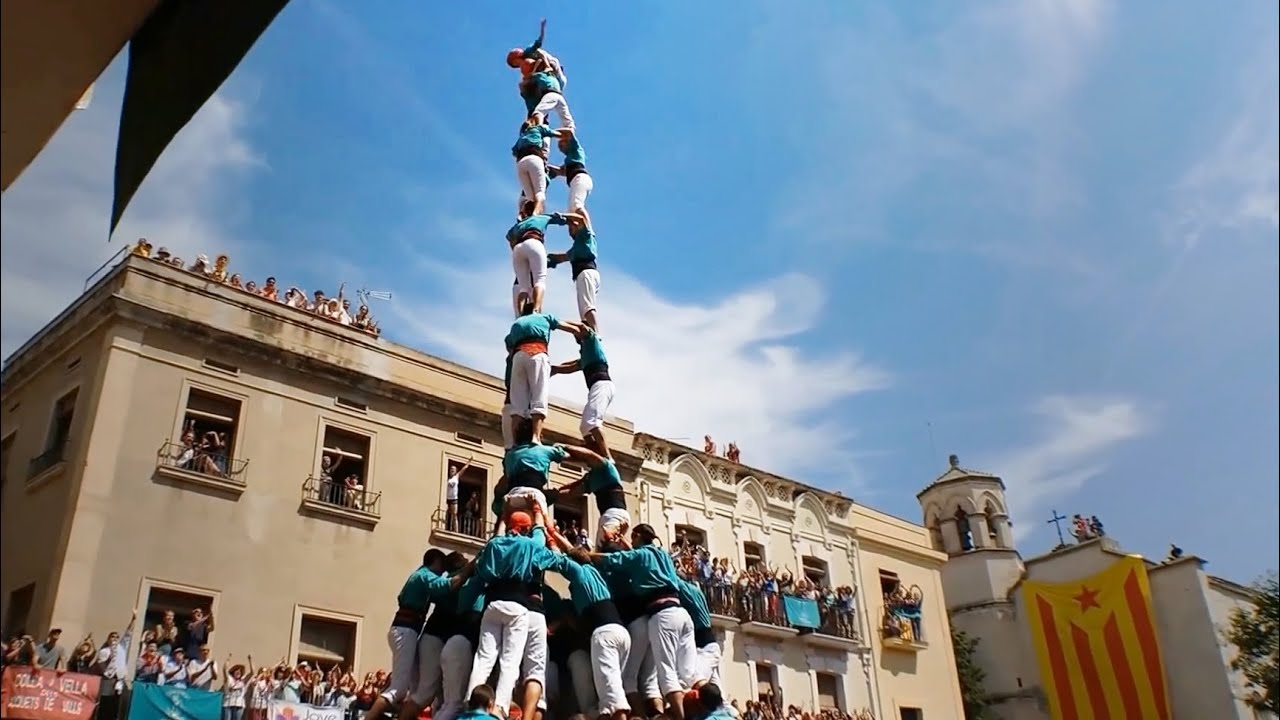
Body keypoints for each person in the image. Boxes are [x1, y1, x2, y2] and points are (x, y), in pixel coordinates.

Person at [462, 509, 561, 717]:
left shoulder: (495, 544)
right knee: (510, 660)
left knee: (484, 657)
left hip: (493, 603)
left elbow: (484, 567)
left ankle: (472, 702)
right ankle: (499, 708)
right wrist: (537, 515)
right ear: (525, 529)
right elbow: (542, 542)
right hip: (517, 605)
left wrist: (503, 519)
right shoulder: (528, 544)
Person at [590, 525, 696, 720]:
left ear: (638, 537)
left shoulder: (636, 558)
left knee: (663, 676)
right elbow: (639, 555)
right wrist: (624, 543)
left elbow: (615, 559)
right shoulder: (662, 555)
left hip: (661, 616)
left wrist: (588, 554)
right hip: (681, 615)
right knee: (668, 676)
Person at [362, 550, 474, 720]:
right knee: (399, 689)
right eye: (441, 564)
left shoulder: (418, 576)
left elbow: (402, 597)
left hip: (406, 630)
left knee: (415, 691)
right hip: (406, 630)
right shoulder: (425, 575)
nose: (442, 570)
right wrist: (471, 567)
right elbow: (448, 585)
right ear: (435, 560)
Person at [545, 534, 631, 720]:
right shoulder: (595, 572)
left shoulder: (578, 572)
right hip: (622, 633)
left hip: (604, 635)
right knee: (612, 690)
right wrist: (553, 532)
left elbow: (561, 557)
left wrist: (550, 538)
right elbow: (573, 552)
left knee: (612, 695)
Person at [504, 308, 583, 445]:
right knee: (539, 397)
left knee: (517, 405)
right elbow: (571, 328)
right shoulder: (545, 317)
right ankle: (536, 437)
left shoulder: (517, 323)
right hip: (537, 353)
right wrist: (584, 333)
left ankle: (515, 442)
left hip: (518, 357)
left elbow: (509, 347)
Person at [549, 323, 613, 452]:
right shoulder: (587, 354)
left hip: (602, 385)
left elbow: (583, 328)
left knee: (592, 422)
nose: (575, 335)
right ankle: (594, 450)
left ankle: (607, 457)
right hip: (597, 387)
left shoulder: (592, 342)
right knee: (585, 427)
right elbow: (572, 366)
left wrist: (557, 322)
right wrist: (554, 369)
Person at [506, 19, 573, 130]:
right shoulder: (527, 65)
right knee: (554, 106)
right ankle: (566, 127)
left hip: (555, 77)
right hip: (554, 85)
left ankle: (541, 121)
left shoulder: (529, 55)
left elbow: (540, 46)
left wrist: (542, 29)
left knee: (547, 104)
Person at [508, 207, 570, 316]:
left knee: (523, 287)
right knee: (540, 281)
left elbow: (509, 237)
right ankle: (536, 311)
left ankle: (520, 316)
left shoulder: (519, 224)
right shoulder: (541, 217)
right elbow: (561, 219)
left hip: (518, 248)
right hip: (534, 242)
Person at [547, 211, 601, 333]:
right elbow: (564, 257)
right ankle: (590, 332)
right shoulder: (578, 247)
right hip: (588, 273)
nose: (569, 229)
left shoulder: (585, 236)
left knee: (587, 306)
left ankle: (595, 334)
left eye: (571, 226)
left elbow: (581, 219)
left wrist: (563, 216)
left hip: (586, 273)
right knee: (584, 308)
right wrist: (549, 259)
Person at [513, 114, 563, 217]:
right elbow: (555, 134)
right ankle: (535, 214)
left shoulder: (521, 137)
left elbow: (514, 151)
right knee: (540, 193)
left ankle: (522, 213)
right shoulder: (538, 129)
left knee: (530, 197)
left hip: (521, 163)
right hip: (534, 159)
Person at [676, 578, 719, 688]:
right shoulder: (697, 591)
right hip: (707, 643)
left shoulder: (686, 589)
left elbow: (673, 579)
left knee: (691, 682)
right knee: (716, 693)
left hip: (704, 647)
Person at [547, 128, 591, 212]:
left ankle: (586, 223)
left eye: (561, 144)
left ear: (567, 142)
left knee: (576, 205)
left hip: (580, 178)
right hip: (576, 180)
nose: (560, 148)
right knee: (572, 210)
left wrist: (550, 131)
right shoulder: (570, 159)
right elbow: (560, 171)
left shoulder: (576, 149)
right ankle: (580, 224)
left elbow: (569, 132)